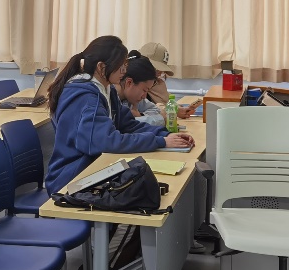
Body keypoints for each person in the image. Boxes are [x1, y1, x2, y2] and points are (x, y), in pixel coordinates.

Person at [44, 35, 195, 194]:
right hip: (71, 180)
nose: (124, 72)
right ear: (101, 67)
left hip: (93, 170)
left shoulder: (106, 90)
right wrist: (160, 141)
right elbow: (106, 141)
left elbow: (129, 125)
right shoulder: (86, 97)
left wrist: (165, 135)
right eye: (121, 67)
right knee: (143, 192)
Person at [132, 42, 196, 120]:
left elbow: (167, 101)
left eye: (162, 70)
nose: (160, 73)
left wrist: (177, 109)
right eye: (157, 69)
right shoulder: (132, 87)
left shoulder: (158, 84)